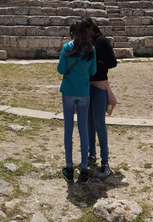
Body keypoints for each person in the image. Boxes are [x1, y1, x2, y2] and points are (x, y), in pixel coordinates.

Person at [56, 19, 98, 183]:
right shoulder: (91, 50)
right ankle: (84, 168)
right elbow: (93, 71)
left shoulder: (67, 47)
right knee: (83, 130)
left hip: (68, 91)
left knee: (68, 129)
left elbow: (61, 69)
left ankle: (68, 166)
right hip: (83, 92)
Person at [85, 18, 119, 179]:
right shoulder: (89, 41)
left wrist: (95, 63)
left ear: (91, 28)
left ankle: (105, 163)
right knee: (89, 123)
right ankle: (91, 155)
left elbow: (113, 62)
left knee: (99, 123)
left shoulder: (102, 41)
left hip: (99, 87)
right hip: (88, 87)